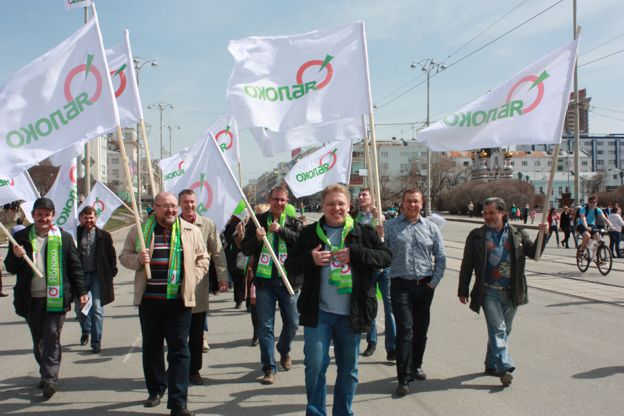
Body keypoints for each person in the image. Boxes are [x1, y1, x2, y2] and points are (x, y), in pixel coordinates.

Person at [285, 184, 392, 416]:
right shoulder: (310, 233)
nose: (336, 208)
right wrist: (310, 259)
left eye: (341, 203)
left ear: (349, 206)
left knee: (348, 370)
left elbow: (386, 257)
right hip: (319, 313)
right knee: (315, 366)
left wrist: (356, 253)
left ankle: (343, 412)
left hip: (351, 314)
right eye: (331, 204)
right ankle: (316, 412)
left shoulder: (363, 232)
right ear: (323, 207)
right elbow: (290, 265)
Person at [119, 192, 209, 416]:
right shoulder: (140, 231)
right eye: (165, 206)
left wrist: (193, 277)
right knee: (152, 347)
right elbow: (124, 256)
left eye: (173, 206)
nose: (170, 210)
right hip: (150, 300)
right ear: (155, 208)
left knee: (179, 350)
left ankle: (178, 403)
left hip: (179, 301)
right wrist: (138, 260)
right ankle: (156, 389)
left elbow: (203, 258)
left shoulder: (191, 231)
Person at [4, 197, 88, 399]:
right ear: (33, 215)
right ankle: (45, 371)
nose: (43, 218)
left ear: (53, 216)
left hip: (56, 298)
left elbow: (75, 267)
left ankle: (50, 379)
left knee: (51, 337)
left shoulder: (64, 238)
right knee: (39, 340)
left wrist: (82, 292)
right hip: (31, 298)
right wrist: (15, 256)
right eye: (39, 215)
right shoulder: (21, 237)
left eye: (47, 215)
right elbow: (10, 268)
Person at [458, 197, 547, 387]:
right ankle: (505, 367)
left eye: (492, 213)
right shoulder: (476, 236)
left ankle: (491, 364)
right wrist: (463, 289)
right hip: (488, 291)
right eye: (485, 213)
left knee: (504, 330)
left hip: (512, 291)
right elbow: (467, 264)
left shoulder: (517, 233)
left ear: (503, 213)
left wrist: (543, 235)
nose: (488, 216)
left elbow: (534, 254)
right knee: (498, 329)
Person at [382, 188, 446, 396]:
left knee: (421, 329)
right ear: (402, 203)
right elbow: (382, 254)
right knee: (405, 330)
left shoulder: (431, 228)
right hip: (400, 285)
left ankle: (416, 365)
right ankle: (404, 377)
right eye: (408, 201)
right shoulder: (390, 227)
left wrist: (433, 283)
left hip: (425, 286)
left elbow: (440, 257)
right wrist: (377, 237)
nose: (412, 205)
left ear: (422, 203)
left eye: (416, 201)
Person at [241, 185, 302, 385]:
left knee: (292, 322)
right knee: (265, 326)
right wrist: (258, 239)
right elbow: (246, 248)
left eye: (283, 200)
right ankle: (269, 368)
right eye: (276, 199)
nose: (279, 203)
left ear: (287, 202)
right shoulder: (256, 221)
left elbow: (301, 244)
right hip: (264, 282)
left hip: (288, 282)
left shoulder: (293, 222)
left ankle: (283, 349)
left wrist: (281, 230)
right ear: (269, 200)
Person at [178, 189, 228, 386]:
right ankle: (177, 368)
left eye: (192, 202)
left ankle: (194, 370)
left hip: (198, 285)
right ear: (180, 204)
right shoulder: (173, 224)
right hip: (175, 285)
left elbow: (217, 252)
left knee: (196, 332)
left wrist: (223, 277)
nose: (189, 205)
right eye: (185, 202)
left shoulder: (206, 224)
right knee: (177, 332)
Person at [355, 188, 396, 361]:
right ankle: (371, 341)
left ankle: (392, 347)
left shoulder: (382, 217)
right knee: (369, 304)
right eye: (359, 195)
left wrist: (382, 223)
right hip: (368, 267)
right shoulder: (355, 218)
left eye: (364, 195)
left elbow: (389, 240)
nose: (360, 197)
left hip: (384, 268)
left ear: (373, 197)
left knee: (389, 307)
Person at [76, 206, 118, 353]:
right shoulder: (74, 235)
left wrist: (112, 270)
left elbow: (111, 255)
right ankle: (85, 330)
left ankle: (96, 342)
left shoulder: (104, 236)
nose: (89, 220)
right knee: (81, 309)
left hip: (97, 277)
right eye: (86, 218)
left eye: (91, 218)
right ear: (81, 219)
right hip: (80, 277)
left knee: (97, 309)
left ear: (96, 218)